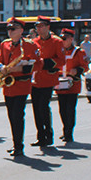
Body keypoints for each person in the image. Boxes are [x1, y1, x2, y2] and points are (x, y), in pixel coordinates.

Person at [0, 18, 41, 158]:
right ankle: (16, 143)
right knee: (11, 115)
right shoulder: (4, 44)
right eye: (9, 29)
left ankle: (19, 146)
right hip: (8, 84)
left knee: (18, 115)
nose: (10, 31)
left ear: (21, 30)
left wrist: (21, 68)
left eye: (13, 29)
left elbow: (39, 65)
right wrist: (1, 67)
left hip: (22, 84)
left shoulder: (29, 45)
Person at [31, 16, 63, 147]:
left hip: (48, 79)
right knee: (36, 109)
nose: (39, 29)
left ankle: (48, 134)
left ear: (48, 27)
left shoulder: (57, 42)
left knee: (43, 107)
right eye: (37, 26)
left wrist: (45, 63)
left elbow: (61, 60)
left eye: (42, 26)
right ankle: (40, 136)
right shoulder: (34, 42)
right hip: (35, 80)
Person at [55, 28, 91, 143]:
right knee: (62, 110)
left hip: (73, 85)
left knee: (70, 110)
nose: (63, 41)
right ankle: (65, 130)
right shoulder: (59, 51)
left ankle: (69, 133)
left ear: (71, 39)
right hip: (61, 85)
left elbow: (85, 67)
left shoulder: (79, 52)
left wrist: (76, 70)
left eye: (64, 39)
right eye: (61, 38)